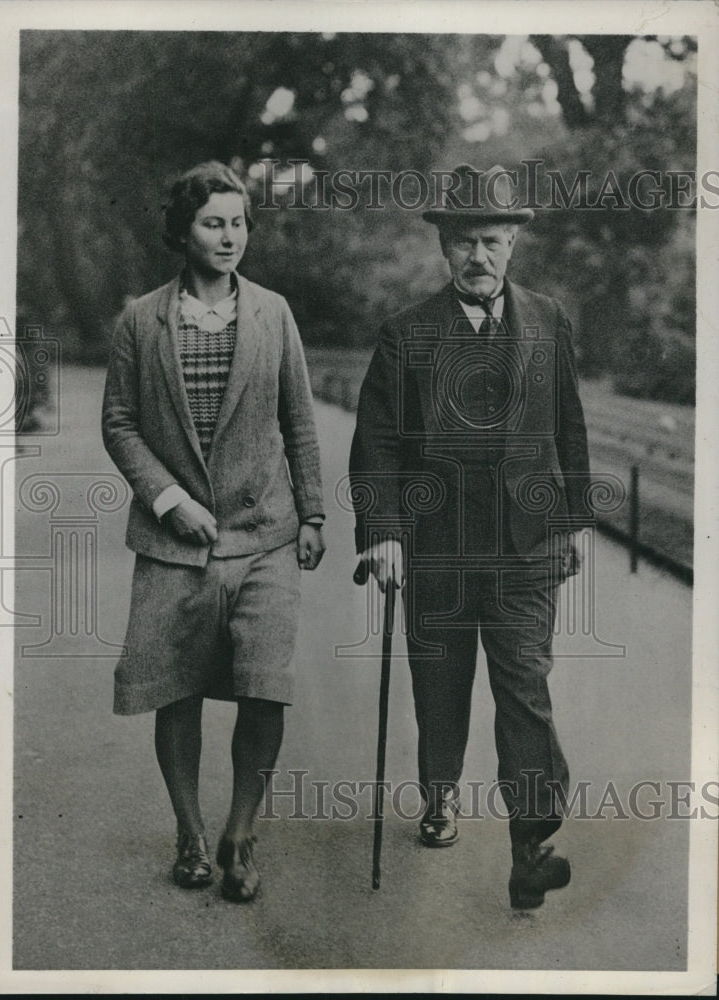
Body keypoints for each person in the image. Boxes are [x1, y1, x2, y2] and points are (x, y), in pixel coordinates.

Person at [349, 164, 591, 909]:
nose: (477, 257)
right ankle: (439, 795)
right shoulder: (407, 334)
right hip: (437, 550)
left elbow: (567, 428)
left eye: (491, 240)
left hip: (523, 549)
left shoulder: (547, 322)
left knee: (524, 691)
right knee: (442, 685)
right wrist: (383, 533)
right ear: (442, 249)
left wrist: (570, 521)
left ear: (513, 242)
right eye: (462, 243)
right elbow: (378, 443)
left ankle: (530, 844)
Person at [102, 160, 325, 902]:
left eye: (238, 223)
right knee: (178, 690)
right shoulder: (141, 319)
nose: (229, 237)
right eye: (213, 223)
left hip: (264, 534)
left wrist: (314, 513)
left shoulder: (274, 312)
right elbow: (120, 423)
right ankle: (192, 835)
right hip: (175, 544)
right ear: (182, 231)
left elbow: (298, 420)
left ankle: (241, 832)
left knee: (265, 688)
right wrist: (167, 499)